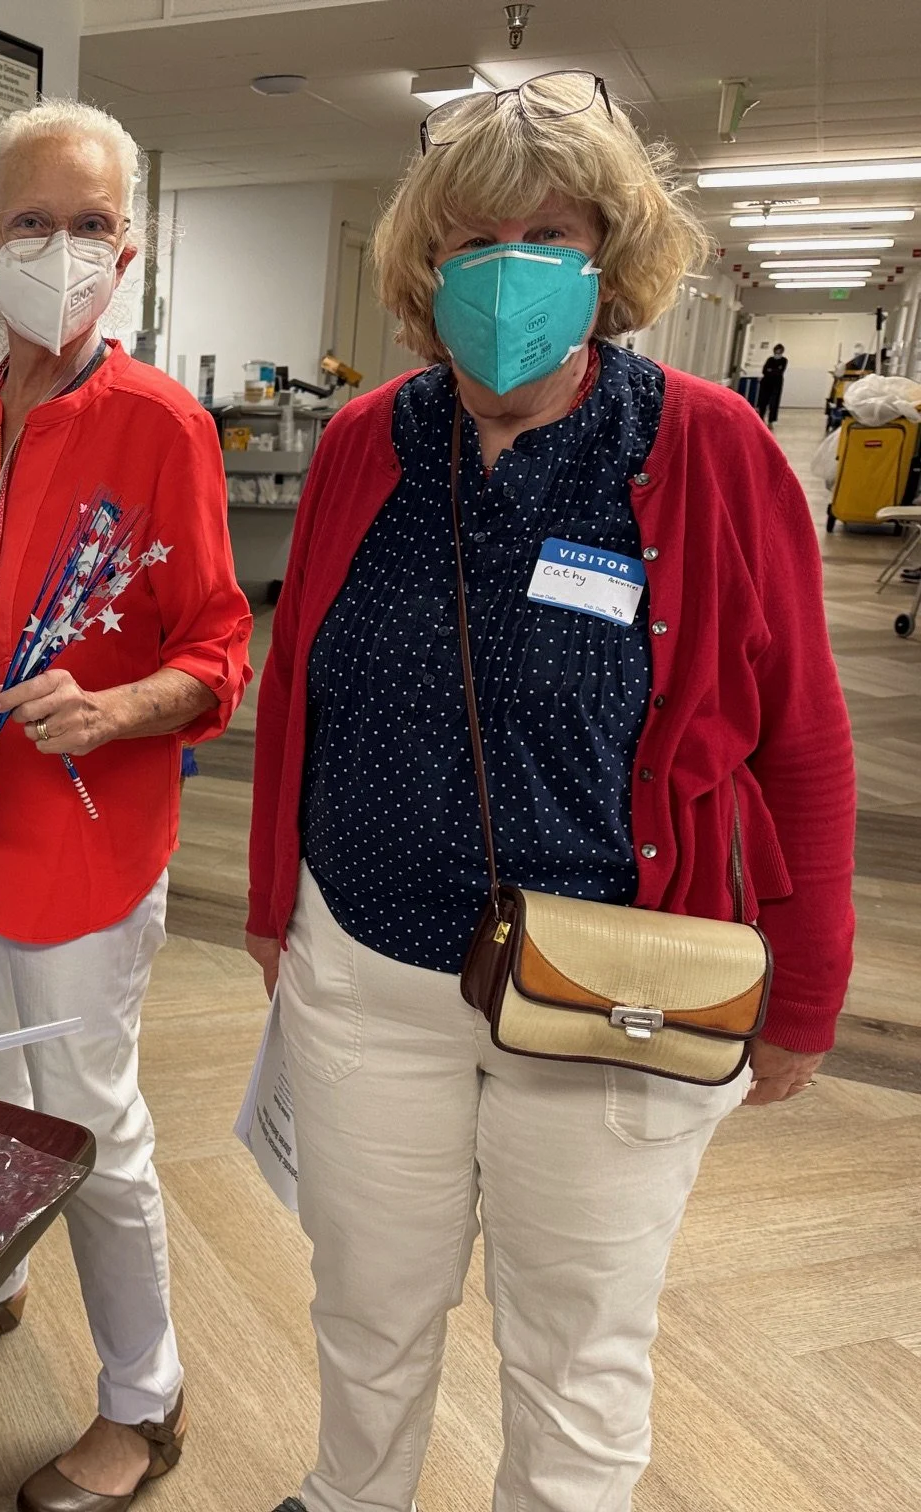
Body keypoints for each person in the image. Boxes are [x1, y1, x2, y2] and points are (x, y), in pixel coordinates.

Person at [245, 72, 855, 1512]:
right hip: (367, 970)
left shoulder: (711, 451)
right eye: (473, 241)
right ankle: (349, 1498)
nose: (508, 269)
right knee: (367, 1311)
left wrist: (808, 991)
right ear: (423, 265)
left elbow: (804, 743)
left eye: (553, 236)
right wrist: (277, 909)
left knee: (577, 1354)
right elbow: (299, 700)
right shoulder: (363, 444)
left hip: (614, 991)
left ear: (611, 263)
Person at [0, 100, 252, 1512]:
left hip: (89, 845)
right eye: (31, 223)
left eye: (91, 224)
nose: (61, 249)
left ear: (132, 248)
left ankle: (146, 1399)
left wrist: (118, 709)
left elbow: (220, 647)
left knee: (92, 1125)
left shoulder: (165, 425)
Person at [757, 341, 787, 424]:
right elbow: (764, 371)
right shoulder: (770, 359)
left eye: (779, 351)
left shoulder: (784, 360)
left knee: (774, 403)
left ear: (782, 352)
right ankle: (761, 419)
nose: (777, 353)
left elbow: (780, 372)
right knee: (763, 401)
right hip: (766, 383)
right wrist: (774, 370)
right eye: (776, 351)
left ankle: (771, 421)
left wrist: (771, 370)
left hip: (776, 384)